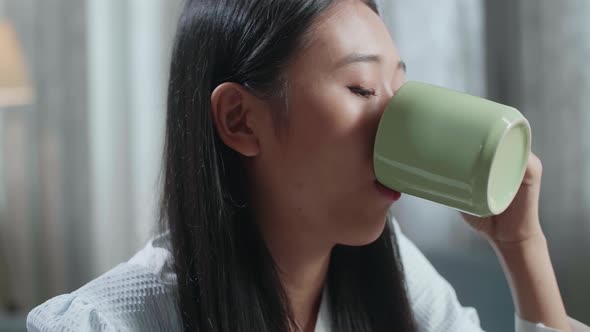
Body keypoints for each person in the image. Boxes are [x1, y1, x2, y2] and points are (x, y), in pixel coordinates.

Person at [26, 0, 589, 331]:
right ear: (241, 121)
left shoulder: (392, 275)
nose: (397, 117)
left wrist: (520, 246)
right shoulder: (102, 322)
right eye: (362, 87)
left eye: (400, 84)